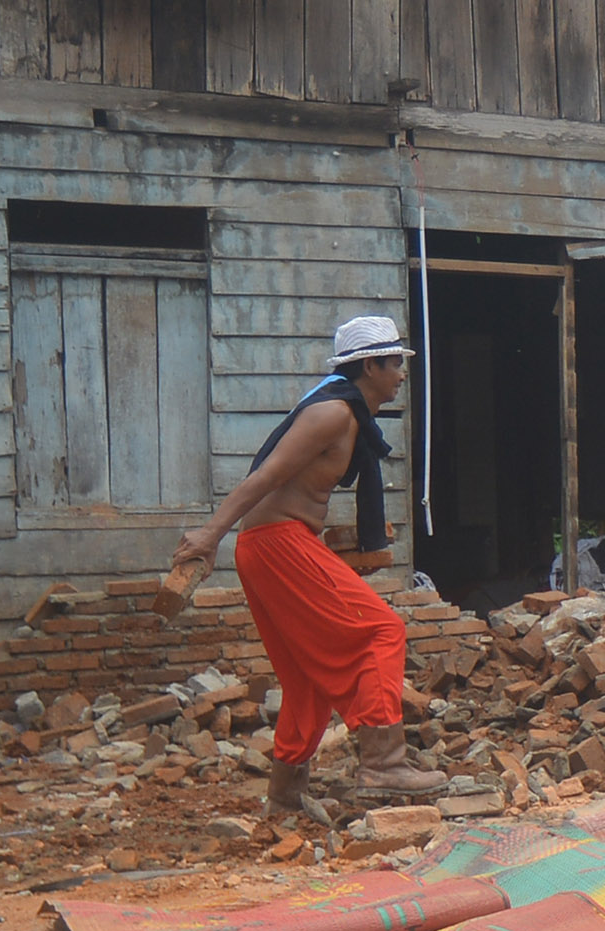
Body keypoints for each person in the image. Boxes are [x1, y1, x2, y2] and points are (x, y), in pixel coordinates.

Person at [173, 313, 449, 816]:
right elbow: (266, 477)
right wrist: (211, 534)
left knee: (305, 679)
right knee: (383, 630)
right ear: (370, 366)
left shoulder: (345, 412)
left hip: (277, 544)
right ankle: (383, 762)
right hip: (277, 544)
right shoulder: (332, 415)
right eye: (395, 364)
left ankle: (285, 795)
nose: (402, 374)